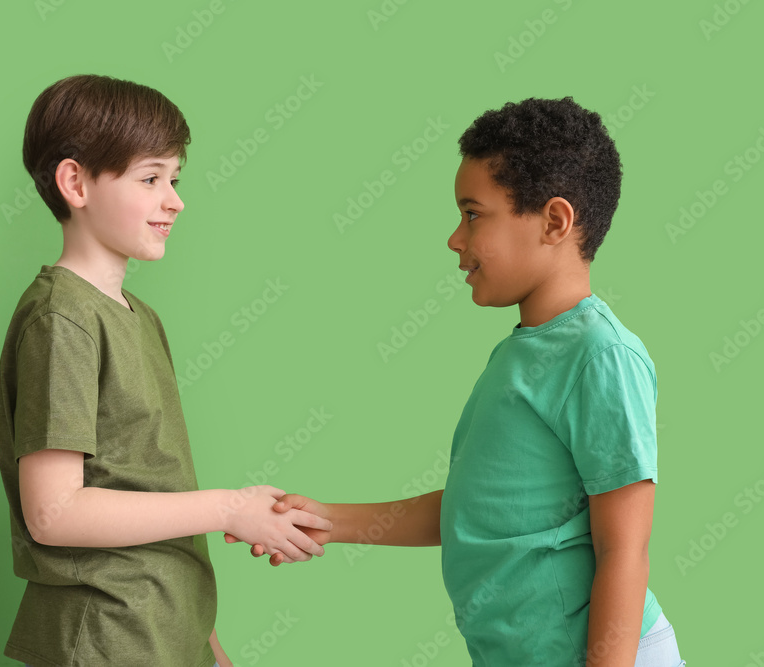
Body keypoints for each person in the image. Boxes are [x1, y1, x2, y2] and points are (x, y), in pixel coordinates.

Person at [231, 97, 684, 666]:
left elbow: (625, 549)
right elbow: (476, 509)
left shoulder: (600, 354)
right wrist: (328, 520)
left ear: (554, 222)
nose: (454, 237)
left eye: (473, 214)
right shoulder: (521, 352)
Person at [0, 74, 330, 667]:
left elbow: (154, 488)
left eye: (175, 179)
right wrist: (230, 508)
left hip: (163, 631)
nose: (174, 199)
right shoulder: (62, 319)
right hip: (105, 635)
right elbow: (54, 512)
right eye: (150, 179)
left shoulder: (139, 318)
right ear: (74, 182)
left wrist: (208, 645)